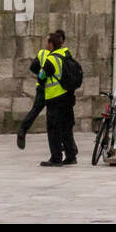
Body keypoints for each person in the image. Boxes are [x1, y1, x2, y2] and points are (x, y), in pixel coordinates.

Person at [33, 30, 77, 165]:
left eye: (47, 41)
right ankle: (71, 156)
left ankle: (56, 157)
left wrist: (42, 77)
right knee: (66, 128)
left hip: (54, 98)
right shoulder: (66, 54)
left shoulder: (51, 59)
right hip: (68, 97)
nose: (46, 44)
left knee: (53, 129)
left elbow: (41, 77)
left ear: (51, 44)